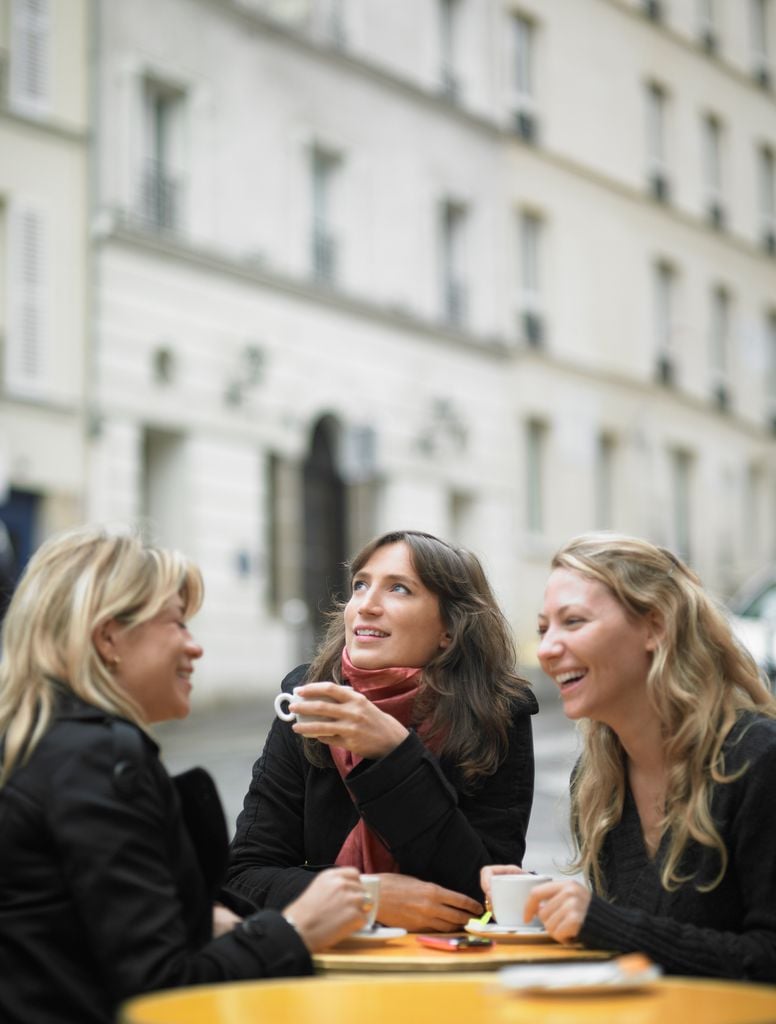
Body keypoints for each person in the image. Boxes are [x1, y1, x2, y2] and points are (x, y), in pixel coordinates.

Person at [0, 526, 370, 1024]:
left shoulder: (35, 742)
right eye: (176, 624)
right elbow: (162, 993)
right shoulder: (99, 757)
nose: (194, 648)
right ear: (109, 636)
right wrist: (297, 929)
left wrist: (200, 921)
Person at [482, 532, 776, 981]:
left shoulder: (757, 759)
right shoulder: (598, 778)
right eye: (544, 628)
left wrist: (600, 922)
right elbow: (641, 947)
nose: (546, 649)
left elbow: (766, 957)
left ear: (655, 627)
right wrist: (547, 906)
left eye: (574, 621)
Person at [224, 529, 537, 932]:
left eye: (400, 589)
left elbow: (483, 893)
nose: (366, 606)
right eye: (360, 585)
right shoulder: (307, 701)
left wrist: (395, 753)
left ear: (449, 629)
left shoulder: (498, 714)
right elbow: (243, 878)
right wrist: (366, 897)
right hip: (326, 965)